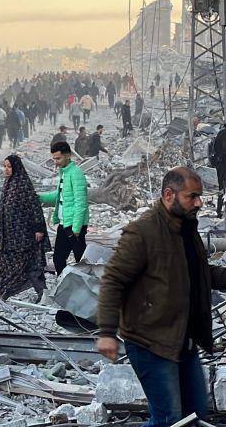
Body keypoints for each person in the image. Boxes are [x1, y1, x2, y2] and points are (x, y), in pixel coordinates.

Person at [96, 167, 226, 426]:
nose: (199, 203)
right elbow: (113, 280)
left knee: (195, 415)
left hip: (181, 340)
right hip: (149, 342)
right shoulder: (142, 232)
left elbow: (200, 272)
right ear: (169, 194)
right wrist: (107, 332)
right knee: (169, 419)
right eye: (193, 196)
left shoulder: (186, 229)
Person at [0, 155, 48, 301]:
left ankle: (43, 293)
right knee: (4, 263)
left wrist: (39, 229)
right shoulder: (8, 184)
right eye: (5, 166)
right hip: (7, 235)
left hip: (23, 235)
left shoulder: (23, 184)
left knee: (29, 263)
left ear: (16, 167)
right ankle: (2, 293)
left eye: (9, 166)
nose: (6, 169)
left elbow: (35, 207)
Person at [38, 141, 89, 275]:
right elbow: (60, 196)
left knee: (81, 260)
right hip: (64, 223)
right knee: (58, 259)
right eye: (54, 158)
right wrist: (40, 197)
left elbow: (81, 203)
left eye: (58, 158)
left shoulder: (76, 174)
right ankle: (67, 285)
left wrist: (76, 229)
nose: (56, 162)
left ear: (68, 155)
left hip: (73, 225)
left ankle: (86, 288)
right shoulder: (64, 173)